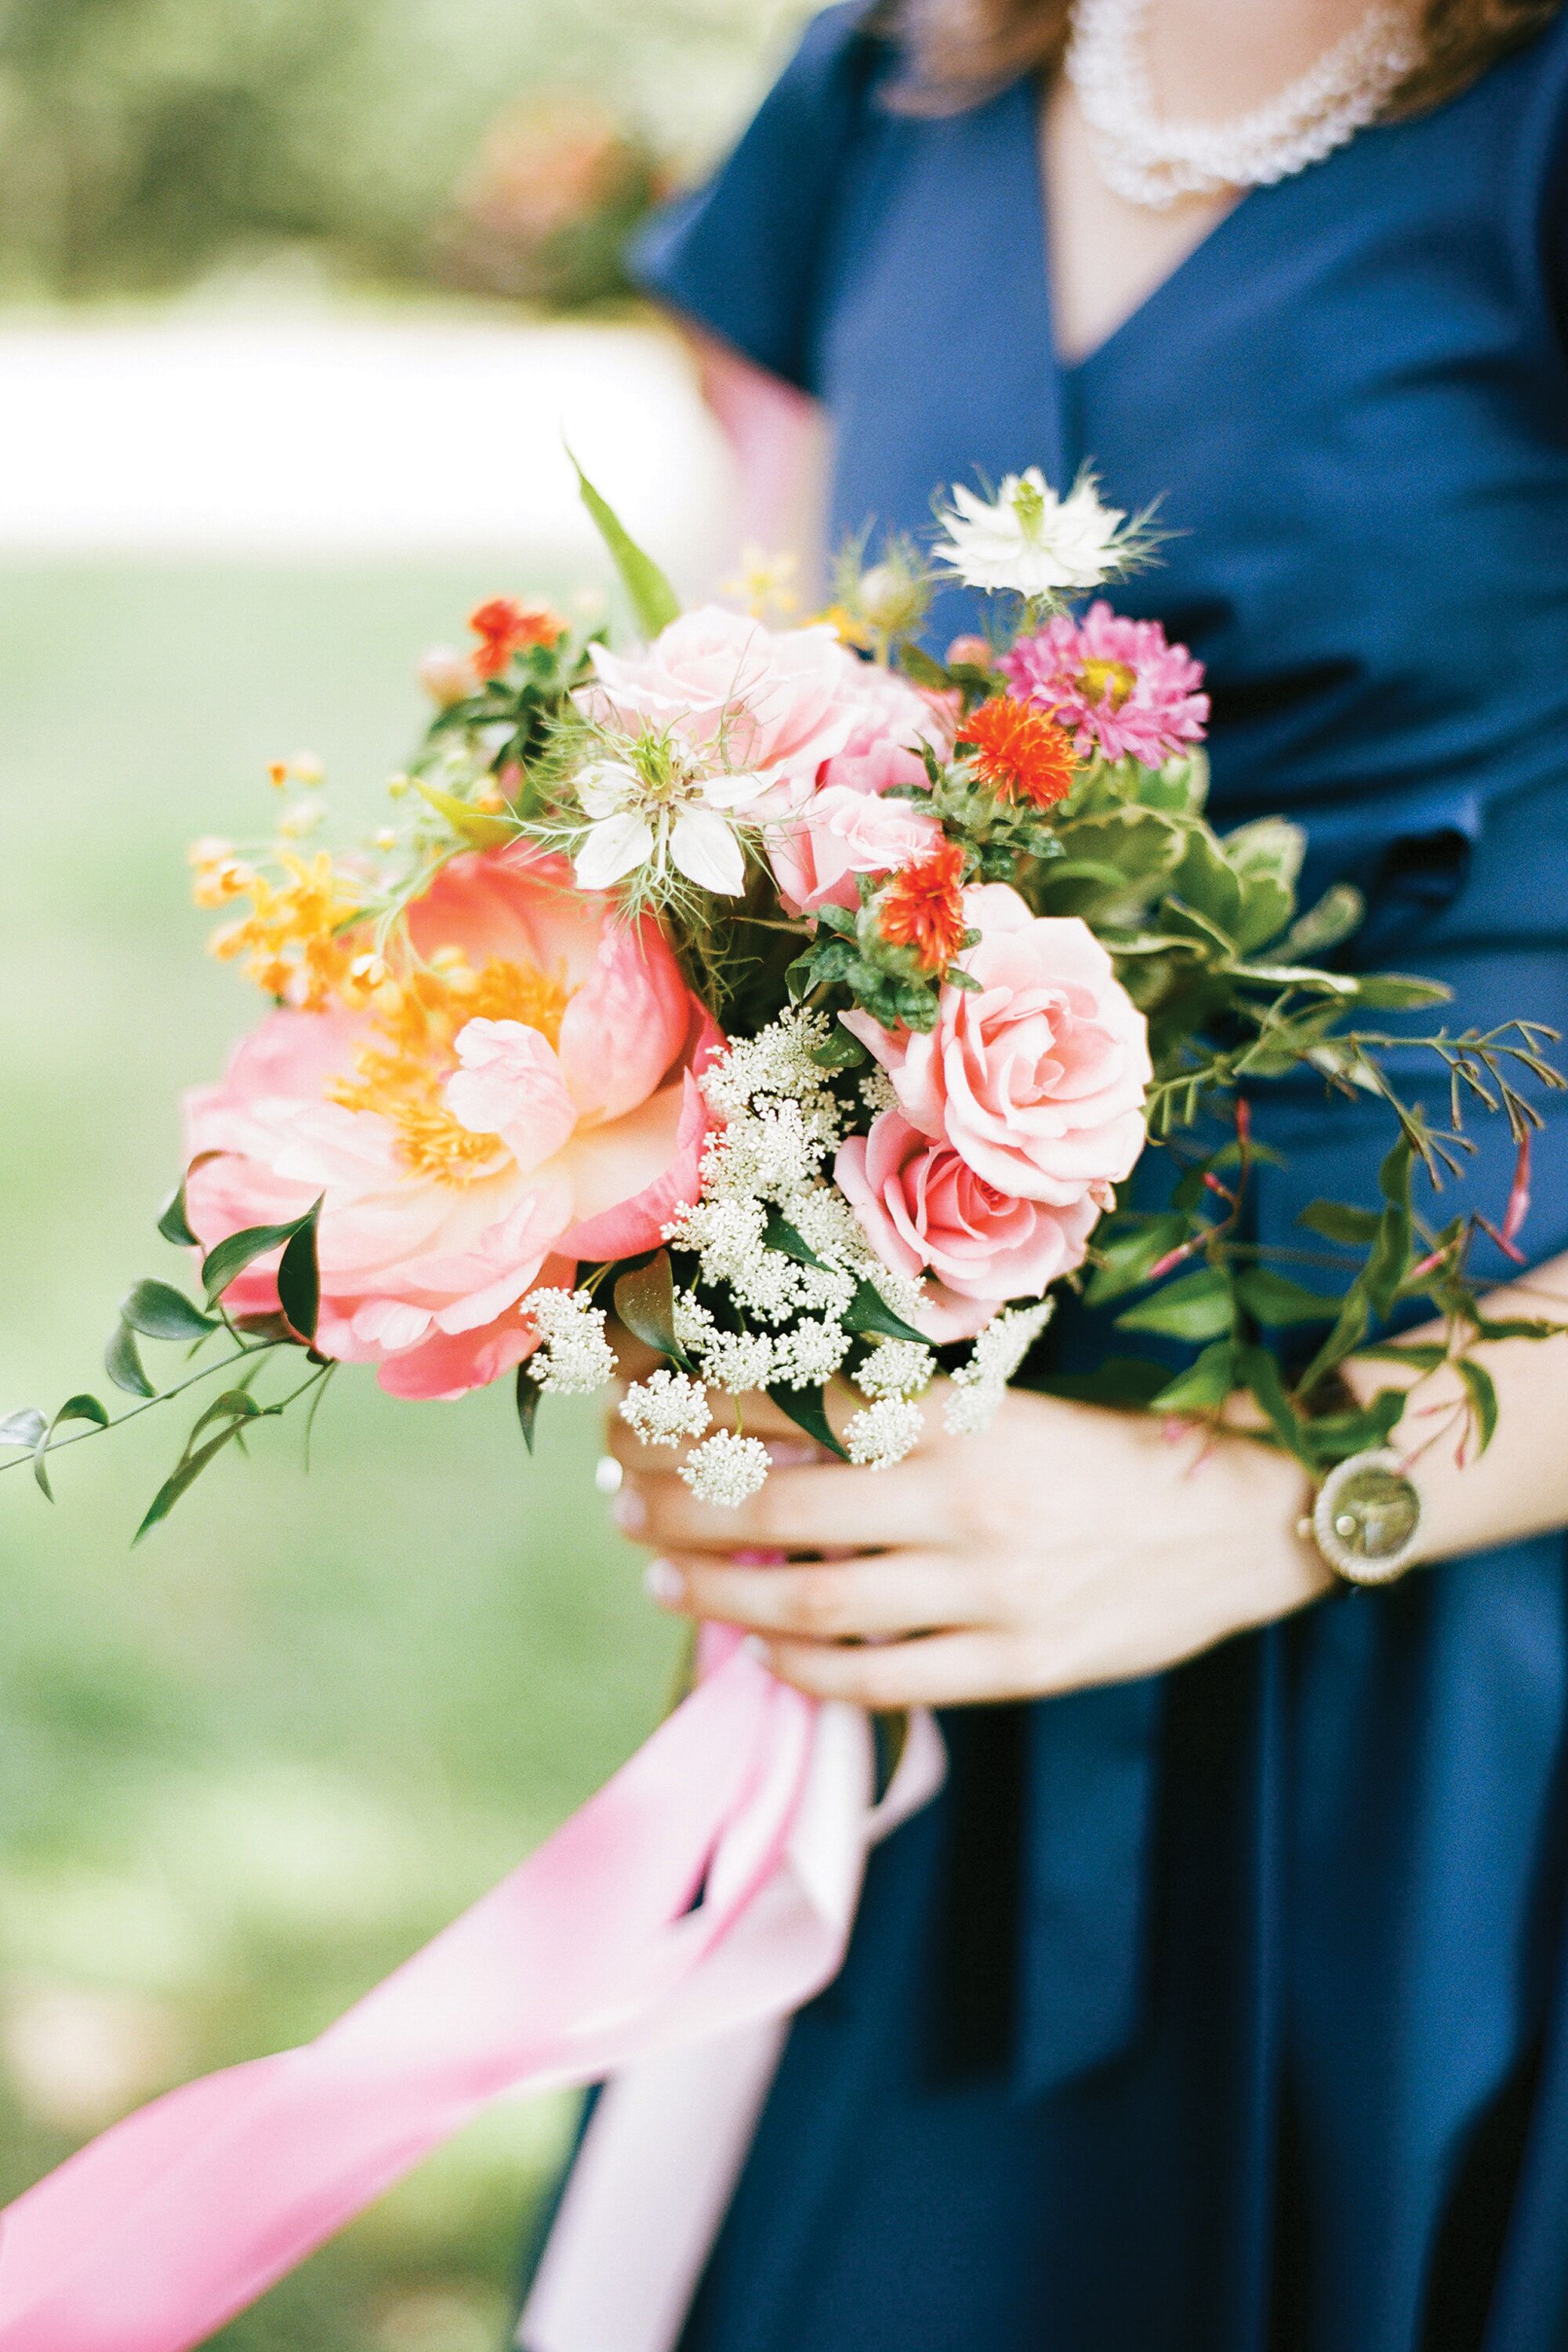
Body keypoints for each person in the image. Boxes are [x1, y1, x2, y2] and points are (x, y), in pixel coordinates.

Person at [554, 4, 1568, 2345]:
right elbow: (740, 783)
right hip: (942, 1584)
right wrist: (663, 1264)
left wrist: (1258, 1503)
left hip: (1469, 1659)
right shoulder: (901, 77)